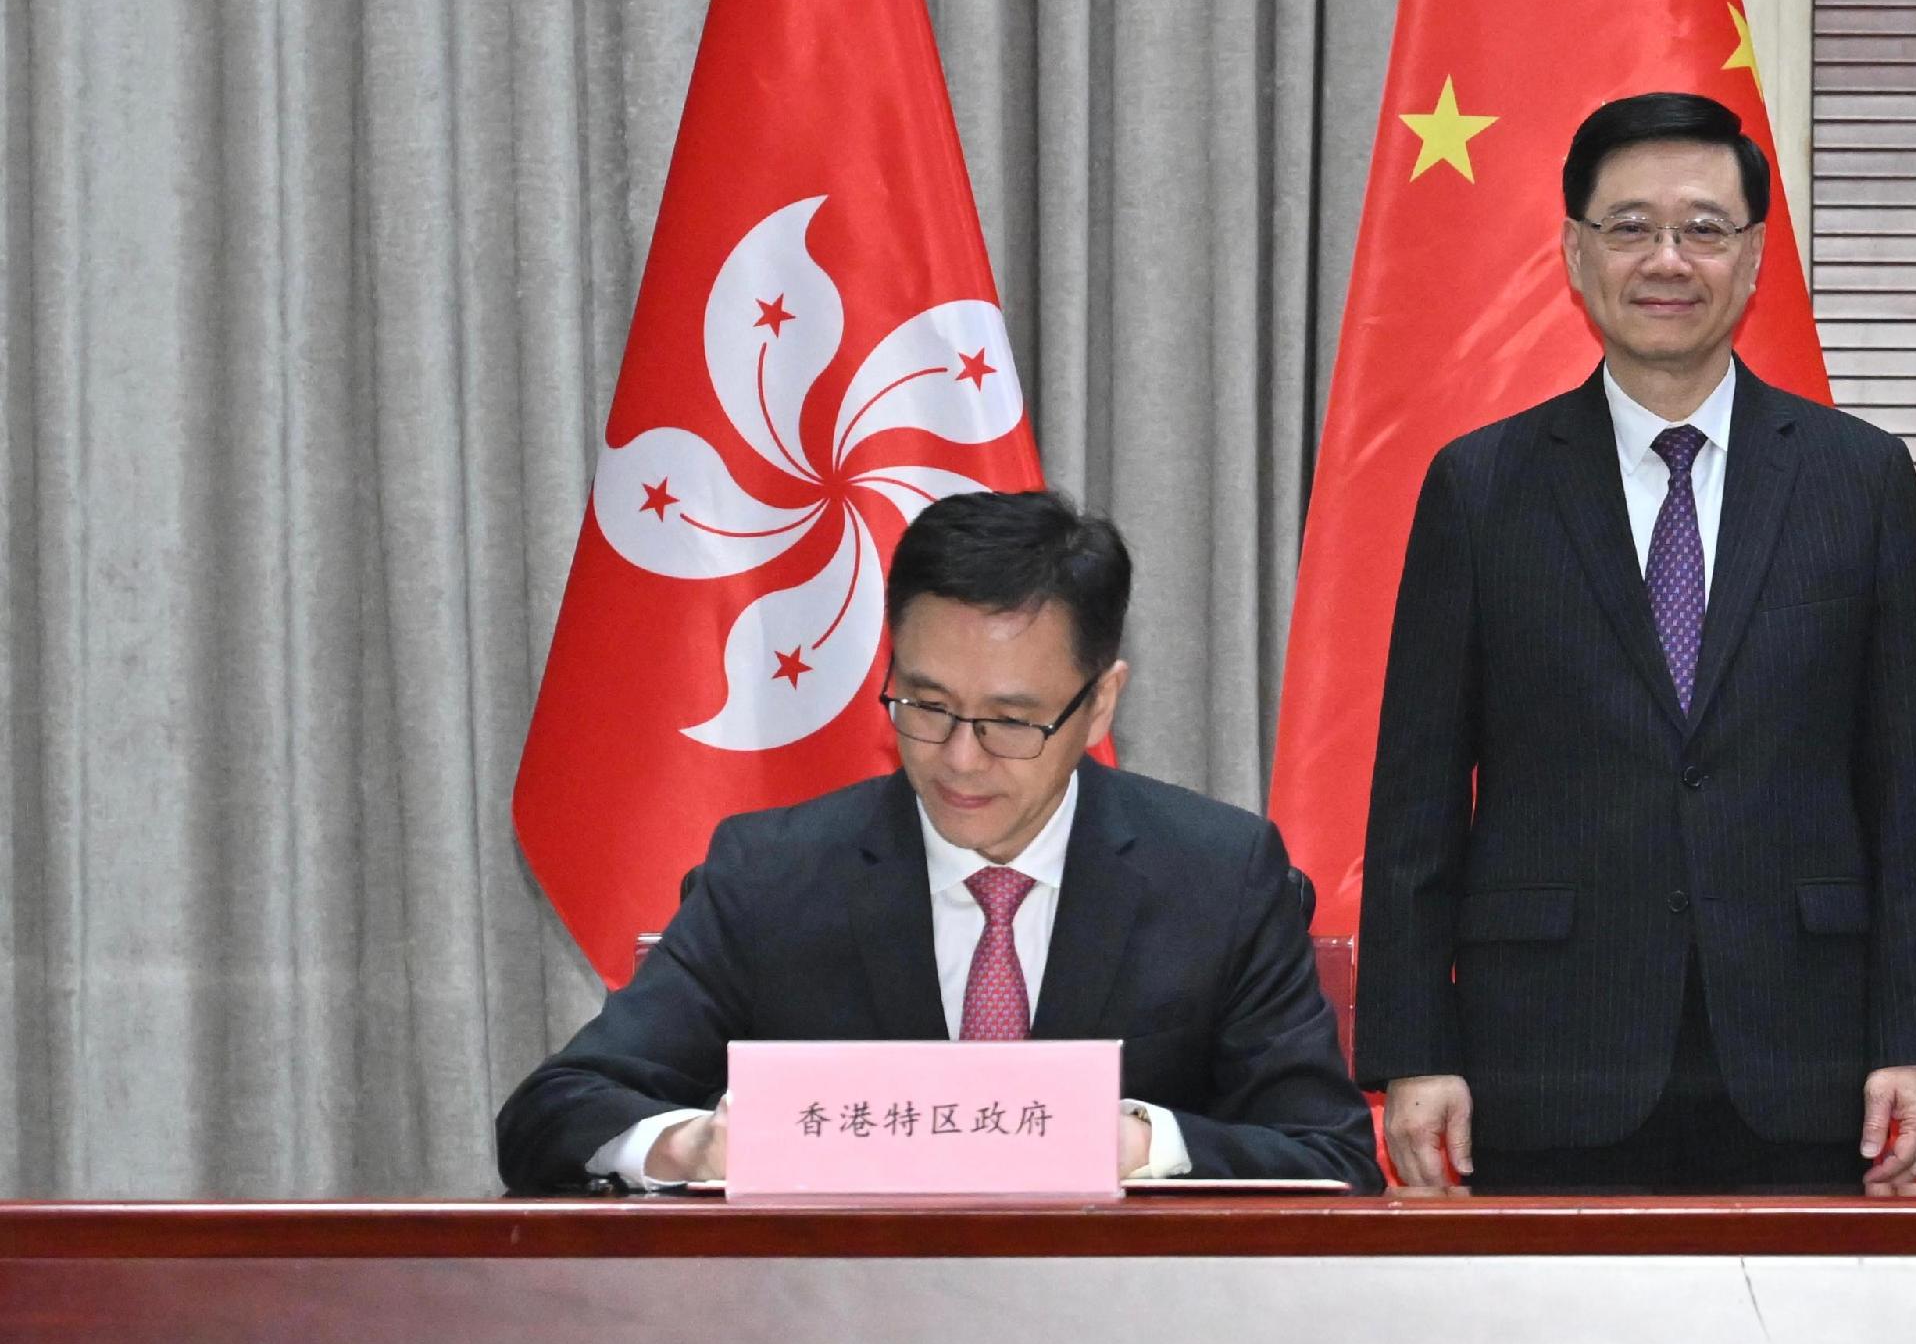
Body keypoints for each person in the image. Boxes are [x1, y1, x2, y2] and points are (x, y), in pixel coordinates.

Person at [1359, 91, 1916, 1192]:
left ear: (1750, 260)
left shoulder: (1858, 477)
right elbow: (1414, 800)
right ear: (1573, 252)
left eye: (1703, 228)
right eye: (1629, 226)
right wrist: (1415, 1053)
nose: (1667, 259)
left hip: (1803, 1052)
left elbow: (1911, 790)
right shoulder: (1481, 484)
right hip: (1546, 1052)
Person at [497, 488, 1379, 1194]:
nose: (960, 759)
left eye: (1010, 720)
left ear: (1100, 703)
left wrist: (1142, 1145)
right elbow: (554, 1111)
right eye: (925, 706)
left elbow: (1329, 1156)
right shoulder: (774, 875)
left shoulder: (1217, 876)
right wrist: (694, 1148)